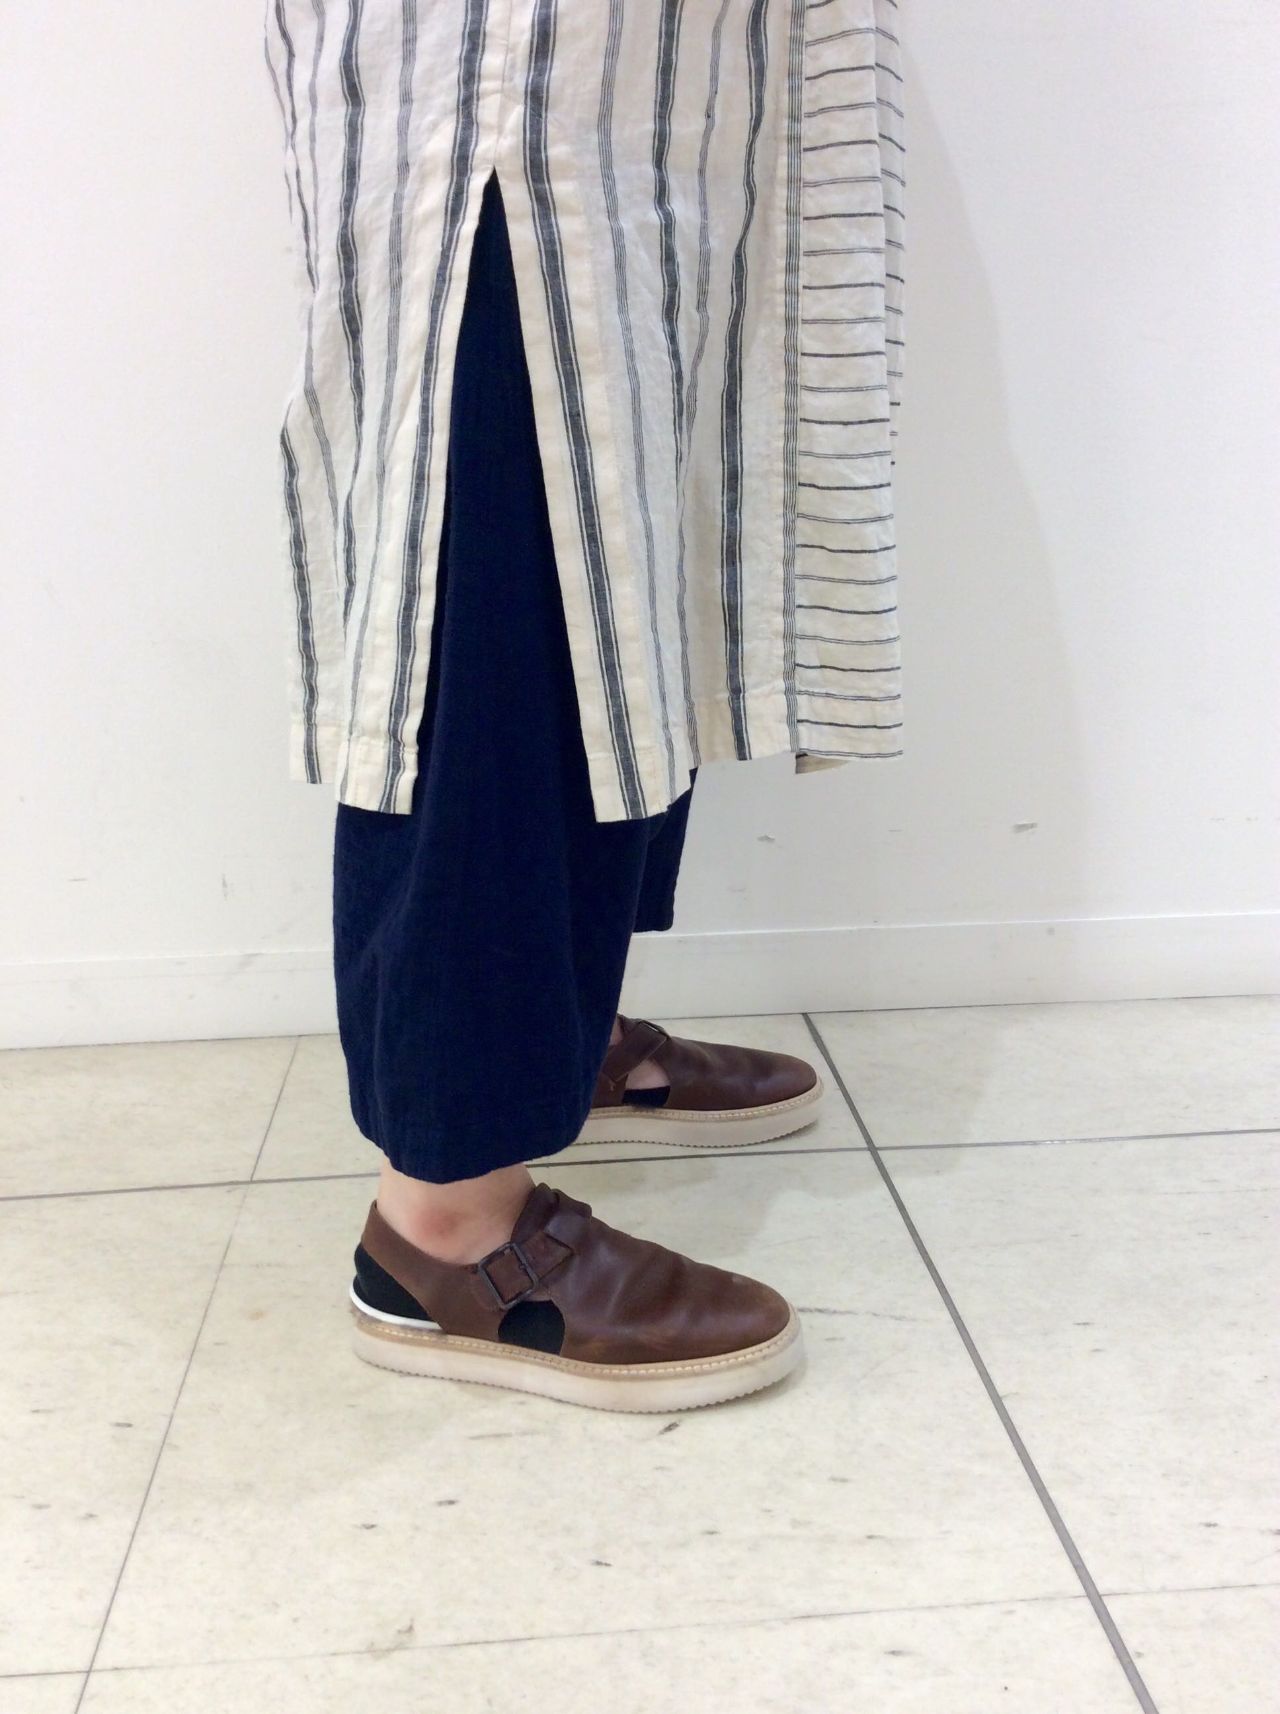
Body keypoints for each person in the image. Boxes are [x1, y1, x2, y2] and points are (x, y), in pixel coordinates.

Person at [263, 0, 905, 1411]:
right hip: (510, 71)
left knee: (628, 541)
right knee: (503, 551)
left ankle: (552, 1026)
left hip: (666, 78)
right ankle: (445, 1224)